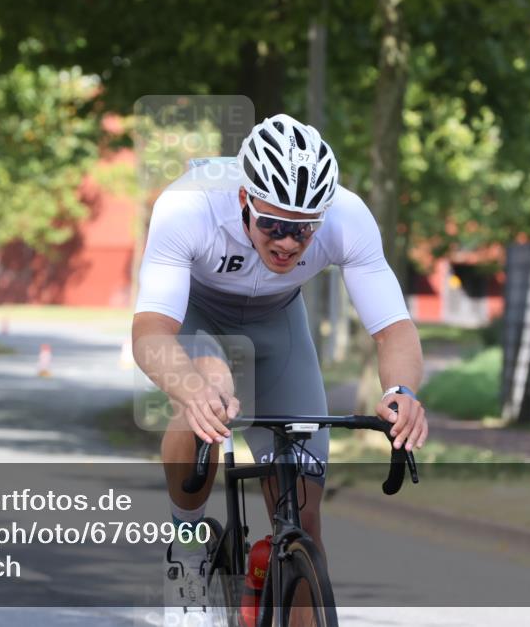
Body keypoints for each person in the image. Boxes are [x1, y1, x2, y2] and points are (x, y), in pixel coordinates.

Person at [131, 114, 429, 623]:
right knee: (209, 391)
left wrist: (400, 391)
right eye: (273, 224)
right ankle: (187, 550)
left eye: (303, 229)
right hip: (198, 318)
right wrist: (189, 388)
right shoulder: (189, 207)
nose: (289, 241)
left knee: (304, 523)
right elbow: (151, 333)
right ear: (245, 199)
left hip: (278, 325)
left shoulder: (346, 217)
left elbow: (393, 329)